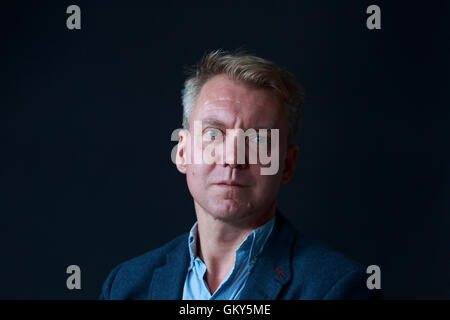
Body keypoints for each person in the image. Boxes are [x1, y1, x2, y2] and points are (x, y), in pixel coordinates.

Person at [99, 50, 380, 300]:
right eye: (213, 133)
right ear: (182, 152)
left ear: (287, 164)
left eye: (258, 140)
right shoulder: (125, 286)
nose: (233, 158)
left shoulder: (338, 288)